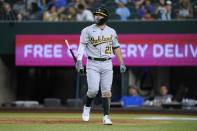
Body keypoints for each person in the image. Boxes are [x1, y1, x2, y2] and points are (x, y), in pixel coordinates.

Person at [76, 7, 126, 125]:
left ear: (106, 17)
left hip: (107, 63)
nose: (97, 16)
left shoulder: (112, 31)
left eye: (100, 15)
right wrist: (79, 60)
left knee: (106, 91)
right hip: (92, 63)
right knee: (93, 90)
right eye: (96, 15)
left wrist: (121, 62)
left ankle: (106, 117)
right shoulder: (87, 30)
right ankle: (87, 107)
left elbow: (116, 47)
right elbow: (82, 46)